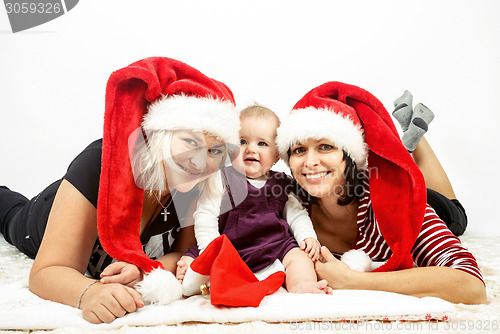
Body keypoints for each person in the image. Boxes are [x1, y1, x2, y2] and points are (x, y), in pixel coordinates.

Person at [0, 57, 241, 323]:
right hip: (40, 216)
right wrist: (88, 293)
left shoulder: (200, 184)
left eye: (215, 151)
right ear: (160, 134)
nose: (200, 161)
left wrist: (147, 270)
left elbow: (185, 255)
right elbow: (46, 271)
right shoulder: (100, 162)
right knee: (8, 211)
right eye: (189, 141)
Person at [275, 81, 486, 304]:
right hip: (368, 183)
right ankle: (406, 148)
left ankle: (416, 139)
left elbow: (472, 286)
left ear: (350, 155)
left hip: (424, 200)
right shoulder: (286, 205)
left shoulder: (397, 202)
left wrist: (353, 281)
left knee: (456, 210)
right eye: (299, 150)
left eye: (326, 147)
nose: (309, 162)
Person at [177, 105, 332, 295]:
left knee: (299, 258)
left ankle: (302, 285)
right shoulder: (220, 178)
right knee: (189, 259)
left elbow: (296, 214)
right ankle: (194, 278)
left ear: (276, 156)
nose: (251, 149)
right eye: (242, 141)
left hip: (274, 246)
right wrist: (211, 251)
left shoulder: (282, 183)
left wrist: (307, 236)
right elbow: (205, 215)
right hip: (228, 248)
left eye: (262, 144)